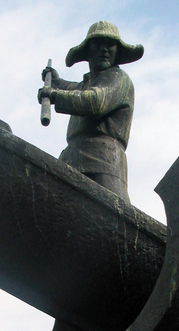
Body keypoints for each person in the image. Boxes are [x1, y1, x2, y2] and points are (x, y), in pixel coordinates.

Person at [38, 21, 144, 203]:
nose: (104, 49)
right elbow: (76, 90)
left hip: (103, 161)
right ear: (88, 50)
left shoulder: (118, 79)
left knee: (112, 215)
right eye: (98, 44)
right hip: (72, 159)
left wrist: (54, 95)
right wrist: (57, 81)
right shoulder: (88, 83)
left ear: (117, 51)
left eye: (110, 44)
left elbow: (95, 101)